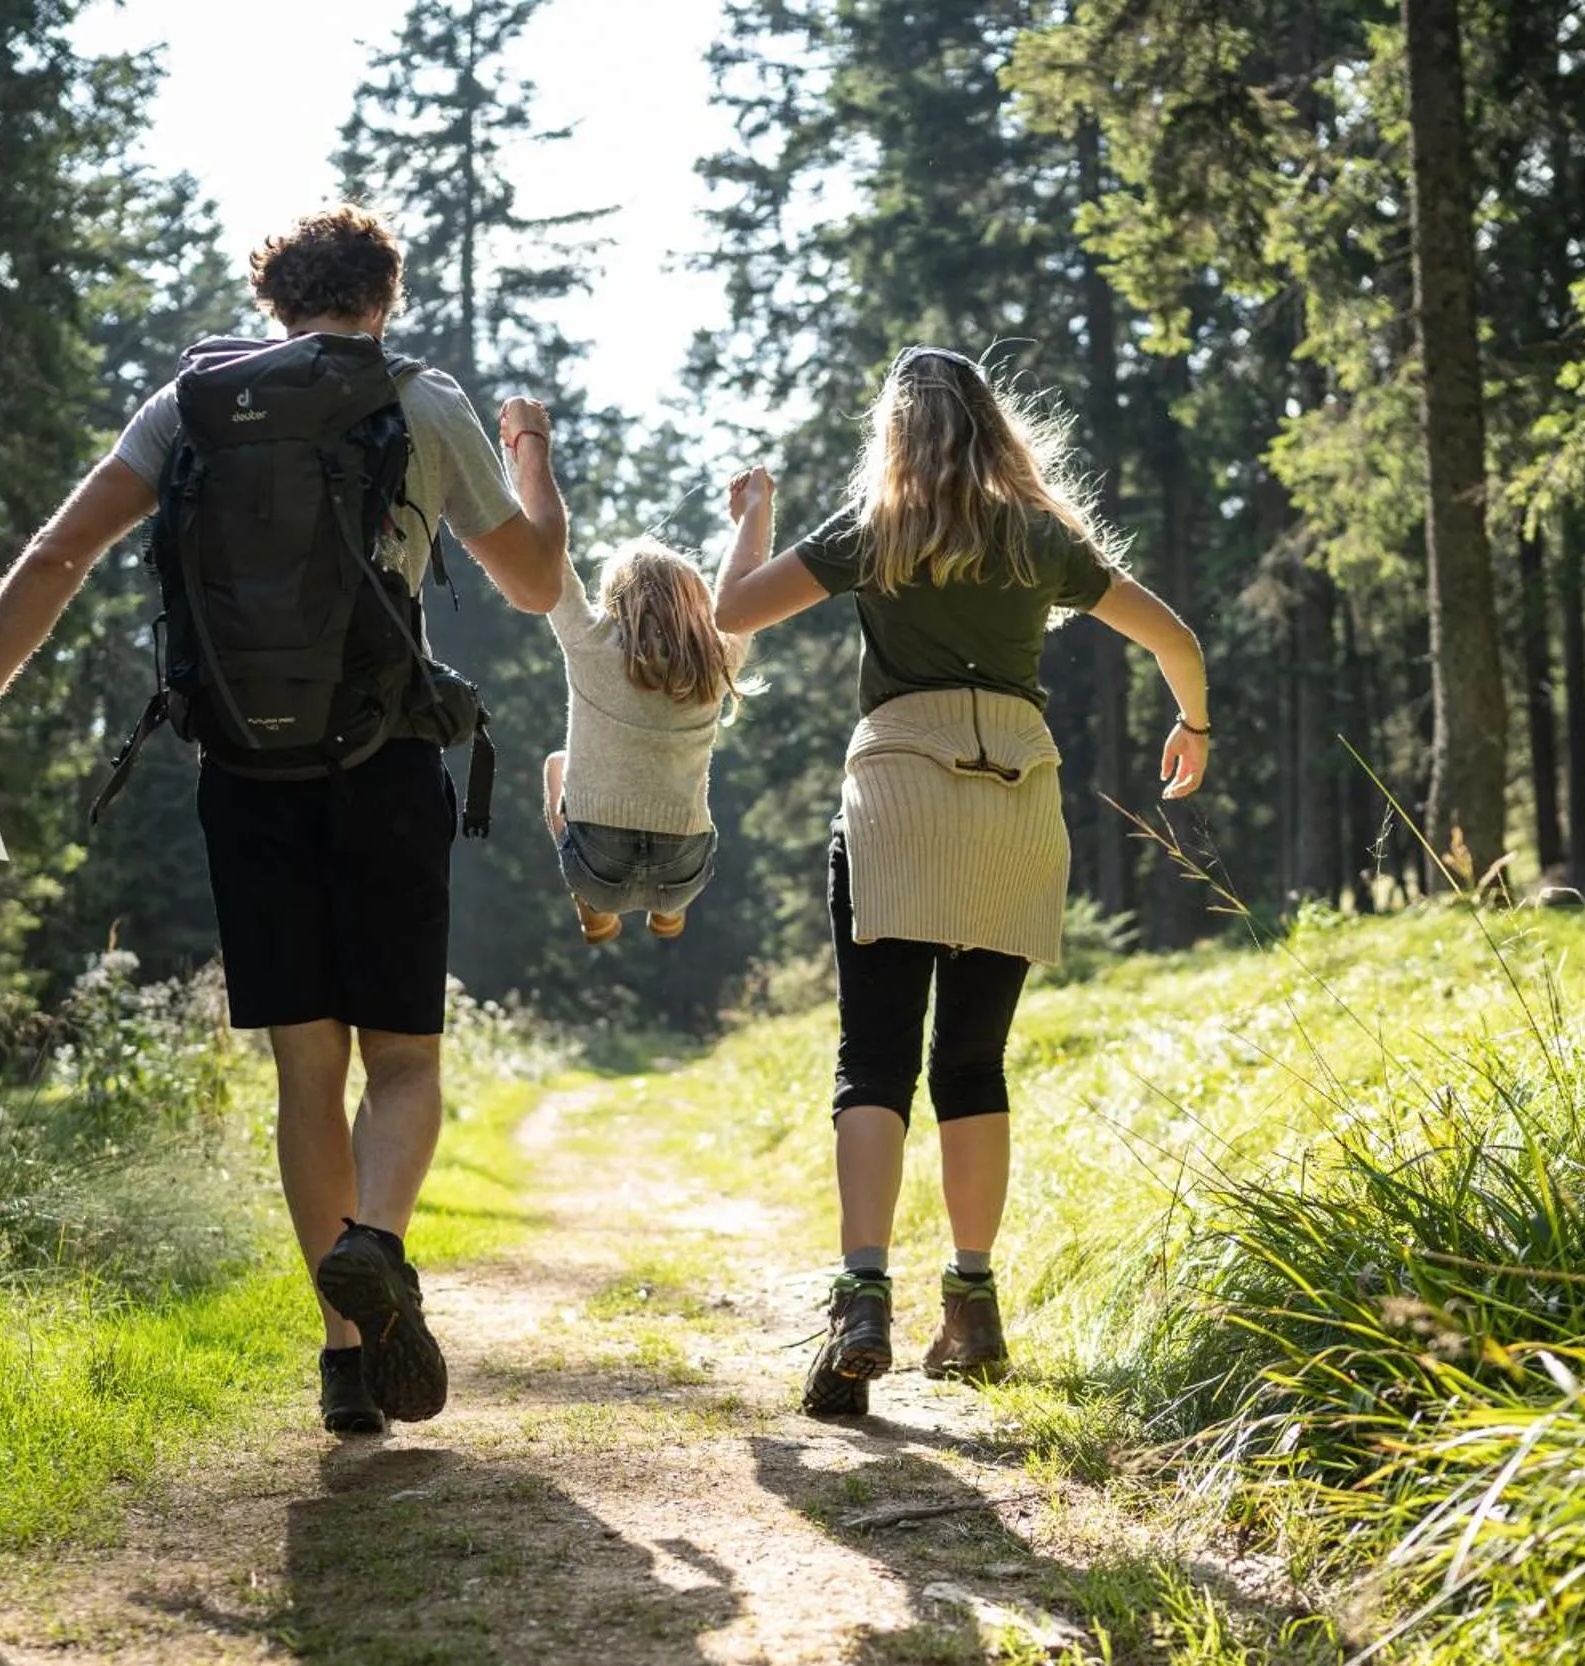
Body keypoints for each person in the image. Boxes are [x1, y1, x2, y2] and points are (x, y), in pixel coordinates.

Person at [0, 204, 568, 1438]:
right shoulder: (420, 401)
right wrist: (533, 460)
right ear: (383, 295)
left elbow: (59, 554)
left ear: (274, 301)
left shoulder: (191, 408)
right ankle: (376, 1242)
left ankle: (342, 1360)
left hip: (240, 771)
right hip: (381, 763)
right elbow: (535, 582)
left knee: (305, 1068)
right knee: (406, 1059)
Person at [711, 345, 1212, 1417]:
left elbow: (733, 613)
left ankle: (861, 1301)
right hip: (1016, 798)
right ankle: (973, 1308)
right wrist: (1195, 724)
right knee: (974, 1065)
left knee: (875, 1059)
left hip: (898, 791)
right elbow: (1172, 634)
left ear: (895, 435)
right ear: (994, 429)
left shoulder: (875, 532)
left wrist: (752, 511)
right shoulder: (1039, 539)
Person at [514, 430, 756, 944]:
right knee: (687, 804)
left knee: (558, 765)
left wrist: (526, 452)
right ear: (695, 603)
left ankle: (595, 911)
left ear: (616, 597)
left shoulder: (589, 639)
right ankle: (668, 913)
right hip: (684, 870)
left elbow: (550, 553)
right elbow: (748, 582)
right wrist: (753, 515)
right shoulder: (715, 658)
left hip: (598, 869)